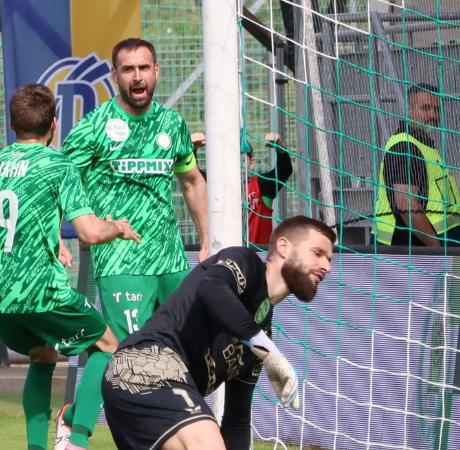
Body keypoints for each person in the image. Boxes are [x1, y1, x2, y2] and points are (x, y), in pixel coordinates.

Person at [0, 84, 140, 450]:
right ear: (54, 123)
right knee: (107, 345)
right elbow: (88, 231)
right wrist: (116, 226)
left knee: (42, 355)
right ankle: (77, 436)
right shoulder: (57, 165)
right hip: (40, 289)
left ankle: (37, 445)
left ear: (12, 125)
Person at [101, 216, 335, 450]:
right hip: (141, 366)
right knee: (207, 442)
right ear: (284, 247)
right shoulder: (246, 263)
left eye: (329, 259)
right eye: (317, 253)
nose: (327, 266)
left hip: (153, 395)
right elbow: (210, 288)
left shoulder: (261, 331)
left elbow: (237, 420)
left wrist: (264, 347)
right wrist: (267, 349)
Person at [60, 37, 208, 343]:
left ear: (157, 71)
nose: (137, 76)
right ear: (115, 76)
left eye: (143, 67)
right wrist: (56, 237)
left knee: (185, 350)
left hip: (171, 260)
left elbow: (192, 181)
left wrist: (207, 240)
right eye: (128, 69)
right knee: (131, 355)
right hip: (120, 261)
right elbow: (58, 182)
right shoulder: (92, 126)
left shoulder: (172, 124)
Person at [373, 83, 460, 247]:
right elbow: (407, 207)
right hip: (416, 255)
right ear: (410, 111)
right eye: (425, 108)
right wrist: (436, 248)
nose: (432, 115)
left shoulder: (423, 146)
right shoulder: (405, 147)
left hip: (437, 250)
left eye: (436, 109)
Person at [191, 131, 293, 245]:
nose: (236, 163)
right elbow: (193, 176)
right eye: (230, 159)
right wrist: (191, 150)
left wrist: (279, 147)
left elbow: (284, 171)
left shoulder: (261, 184)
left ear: (251, 163)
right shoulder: (214, 186)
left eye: (241, 158)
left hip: (256, 255)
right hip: (222, 252)